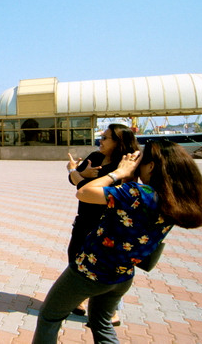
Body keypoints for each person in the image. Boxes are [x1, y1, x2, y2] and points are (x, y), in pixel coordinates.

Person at [33, 139, 202, 343]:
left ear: (152, 166)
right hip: (122, 276)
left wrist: (118, 173)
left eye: (141, 162)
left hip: (90, 272)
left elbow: (84, 193)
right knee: (102, 325)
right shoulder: (173, 198)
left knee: (49, 317)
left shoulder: (136, 193)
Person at [66, 124, 139, 321]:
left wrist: (76, 173)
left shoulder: (126, 166)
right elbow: (75, 182)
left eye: (106, 137)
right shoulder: (95, 157)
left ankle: (110, 310)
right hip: (84, 219)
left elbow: (88, 191)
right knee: (75, 256)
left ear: (118, 142)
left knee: (106, 264)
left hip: (109, 224)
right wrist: (79, 174)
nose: (101, 139)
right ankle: (78, 301)